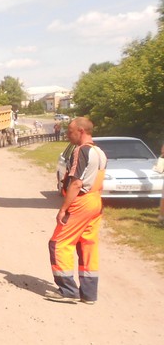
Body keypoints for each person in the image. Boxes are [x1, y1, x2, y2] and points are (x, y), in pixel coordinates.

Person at [44, 117, 108, 304]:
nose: (67, 134)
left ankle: (67, 290)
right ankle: (89, 294)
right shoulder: (100, 152)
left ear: (80, 131)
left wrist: (63, 208)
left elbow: (77, 183)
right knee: (87, 245)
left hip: (81, 202)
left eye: (70, 131)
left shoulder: (81, 151)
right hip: (96, 201)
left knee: (58, 243)